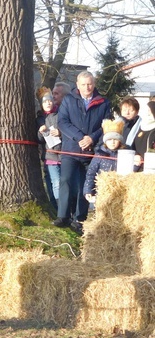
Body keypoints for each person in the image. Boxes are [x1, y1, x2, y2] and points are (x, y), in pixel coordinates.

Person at [54, 71, 110, 234]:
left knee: (85, 185)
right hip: (71, 149)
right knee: (65, 180)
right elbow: (62, 122)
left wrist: (91, 139)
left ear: (94, 84)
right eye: (84, 84)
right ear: (77, 85)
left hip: (91, 151)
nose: (87, 87)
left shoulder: (103, 102)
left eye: (90, 84)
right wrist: (79, 137)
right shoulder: (69, 100)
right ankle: (63, 215)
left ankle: (80, 218)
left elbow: (105, 125)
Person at [83, 119, 124, 204]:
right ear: (105, 141)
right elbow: (91, 173)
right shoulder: (99, 155)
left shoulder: (124, 154)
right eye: (109, 140)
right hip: (102, 191)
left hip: (120, 191)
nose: (112, 142)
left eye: (115, 139)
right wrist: (88, 190)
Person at [37, 91, 62, 211]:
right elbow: (39, 139)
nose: (48, 103)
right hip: (49, 156)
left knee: (62, 183)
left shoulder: (60, 114)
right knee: (54, 183)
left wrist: (59, 132)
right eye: (45, 101)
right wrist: (41, 132)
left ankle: (64, 210)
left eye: (50, 100)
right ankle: (56, 209)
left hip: (62, 154)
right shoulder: (40, 118)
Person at [133, 101, 155, 171]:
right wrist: (135, 155)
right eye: (147, 110)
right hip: (137, 167)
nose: (148, 113)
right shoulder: (140, 125)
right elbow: (132, 145)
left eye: (150, 111)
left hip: (151, 169)